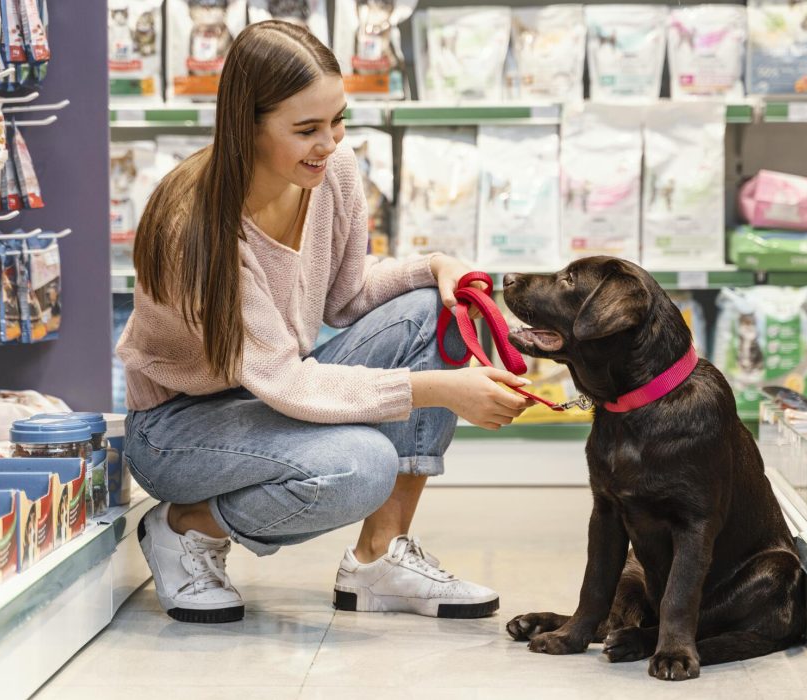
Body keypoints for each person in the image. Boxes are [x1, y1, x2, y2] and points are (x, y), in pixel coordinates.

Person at [117, 20, 534, 624]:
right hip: (178, 430)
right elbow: (286, 381)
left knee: (436, 311)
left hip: (271, 392)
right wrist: (441, 391)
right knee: (361, 464)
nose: (330, 142)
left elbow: (345, 297)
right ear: (246, 126)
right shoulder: (197, 229)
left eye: (337, 120)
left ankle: (378, 558)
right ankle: (185, 526)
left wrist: (436, 267)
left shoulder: (328, 172)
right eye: (307, 129)